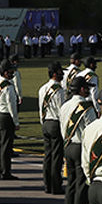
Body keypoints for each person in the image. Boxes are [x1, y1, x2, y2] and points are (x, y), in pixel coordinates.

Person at [59, 75, 96, 204]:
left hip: (68, 145)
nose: (88, 90)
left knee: (71, 186)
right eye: (86, 87)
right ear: (81, 89)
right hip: (81, 147)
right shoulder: (86, 107)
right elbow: (92, 130)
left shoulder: (65, 106)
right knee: (82, 187)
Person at [38, 62, 66, 195]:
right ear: (55, 74)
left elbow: (40, 108)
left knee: (48, 156)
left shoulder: (42, 88)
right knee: (57, 157)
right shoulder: (59, 91)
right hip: (56, 123)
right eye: (60, 72)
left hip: (46, 122)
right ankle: (56, 185)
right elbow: (62, 111)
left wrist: (42, 121)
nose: (63, 74)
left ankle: (47, 184)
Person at [0, 60, 19, 180]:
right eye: (11, 71)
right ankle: (5, 171)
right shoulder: (8, 86)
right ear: (6, 72)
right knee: (6, 146)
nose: (13, 73)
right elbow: (12, 105)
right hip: (6, 116)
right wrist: (16, 122)